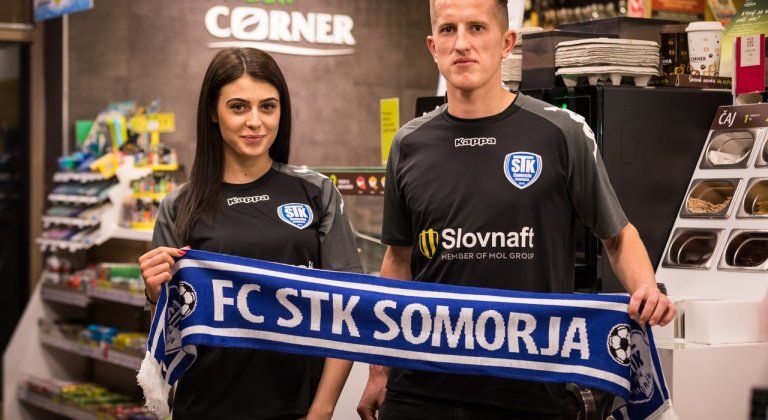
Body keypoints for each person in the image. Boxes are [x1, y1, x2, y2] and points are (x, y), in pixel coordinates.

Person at [356, 0, 677, 419]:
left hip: (529, 387)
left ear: (506, 42)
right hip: (420, 388)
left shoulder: (561, 132)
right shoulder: (408, 143)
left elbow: (617, 235)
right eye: (449, 30)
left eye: (477, 28)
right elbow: (398, 260)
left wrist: (646, 288)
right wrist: (379, 369)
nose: (462, 44)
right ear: (433, 47)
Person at [138, 47, 363, 420]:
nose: (255, 121)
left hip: (297, 408)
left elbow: (347, 308)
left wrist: (322, 410)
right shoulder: (179, 205)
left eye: (268, 107)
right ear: (213, 112)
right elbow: (167, 335)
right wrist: (154, 295)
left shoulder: (317, 191)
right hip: (203, 408)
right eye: (239, 107)